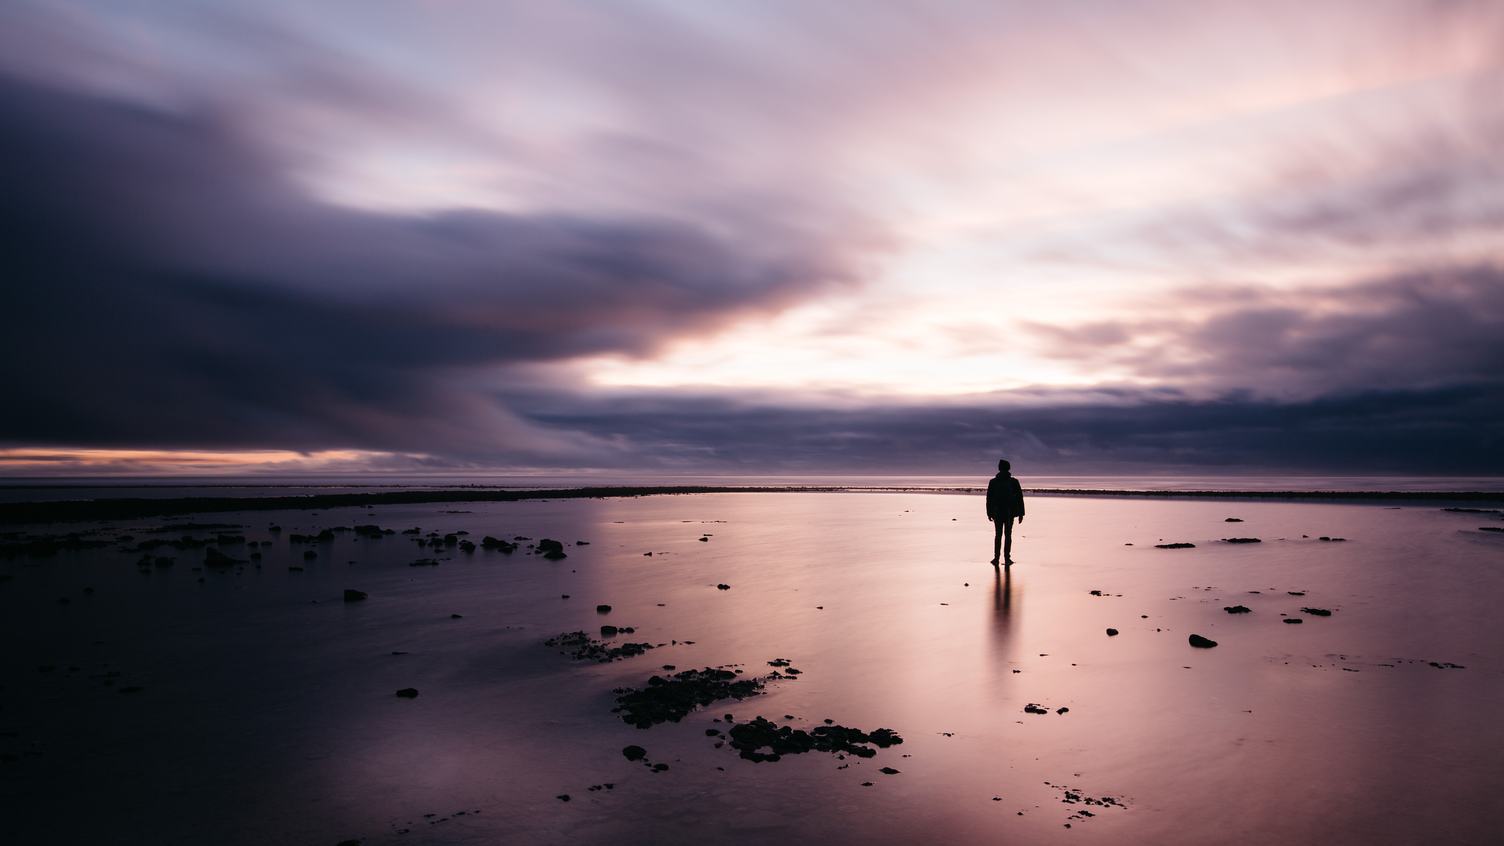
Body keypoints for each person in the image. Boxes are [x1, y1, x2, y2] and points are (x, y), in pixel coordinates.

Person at [986, 459, 1025, 566]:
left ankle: (996, 558)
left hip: (1000, 512)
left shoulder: (994, 482)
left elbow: (989, 499)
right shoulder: (1013, 482)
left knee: (998, 535)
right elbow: (1020, 498)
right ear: (1008, 468)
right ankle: (1006, 558)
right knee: (1007, 535)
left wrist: (989, 512)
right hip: (1008, 512)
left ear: (999, 468)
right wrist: (1021, 513)